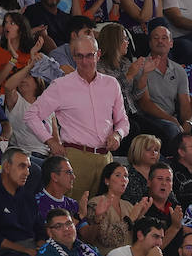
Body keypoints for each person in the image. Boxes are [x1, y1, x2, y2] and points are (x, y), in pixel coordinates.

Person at [26, 31, 129, 199]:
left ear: (98, 55)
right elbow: (31, 115)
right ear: (73, 57)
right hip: (75, 158)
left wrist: (118, 134)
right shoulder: (61, 85)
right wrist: (50, 141)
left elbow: (123, 120)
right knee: (72, 213)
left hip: (105, 158)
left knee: (100, 216)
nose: (85, 62)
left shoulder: (111, 84)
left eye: (89, 55)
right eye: (79, 56)